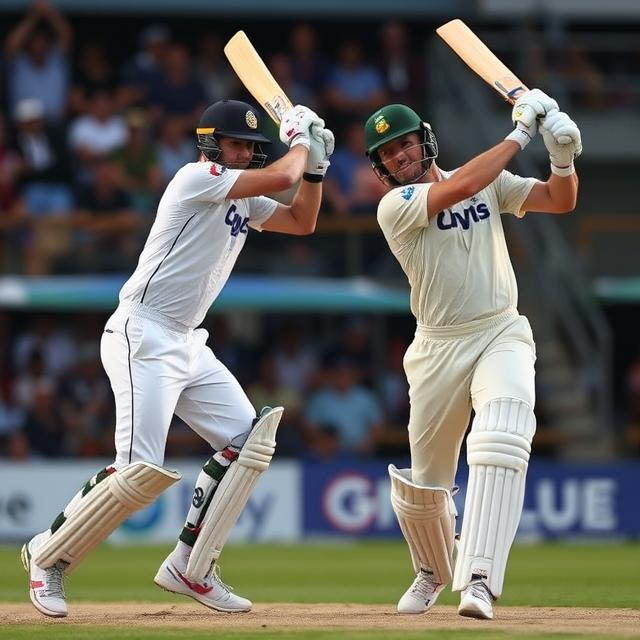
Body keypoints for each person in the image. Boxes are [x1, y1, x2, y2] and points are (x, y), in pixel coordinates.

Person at [21, 99, 334, 618]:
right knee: (138, 471)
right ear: (212, 143)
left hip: (187, 340)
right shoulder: (197, 177)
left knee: (248, 442)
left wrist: (316, 169)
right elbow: (282, 177)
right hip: (141, 332)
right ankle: (47, 555)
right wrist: (299, 141)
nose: (246, 153)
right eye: (237, 144)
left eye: (254, 147)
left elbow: (302, 221)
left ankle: (191, 566)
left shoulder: (242, 194)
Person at [363, 90, 581, 620]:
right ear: (381, 168)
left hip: (500, 330)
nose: (399, 157)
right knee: (426, 485)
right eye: (388, 154)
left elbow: (560, 200)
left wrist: (563, 158)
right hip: (437, 347)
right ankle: (432, 570)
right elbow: (461, 185)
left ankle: (479, 579)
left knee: (502, 433)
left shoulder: (490, 183)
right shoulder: (395, 206)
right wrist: (521, 134)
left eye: (406, 144)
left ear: (426, 140)